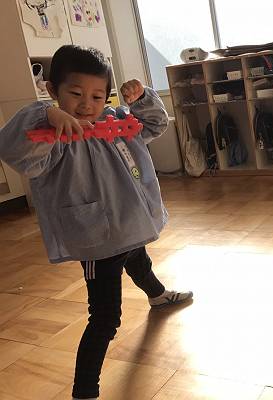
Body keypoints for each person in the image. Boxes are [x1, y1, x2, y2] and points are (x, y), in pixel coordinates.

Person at [0, 45, 192, 400]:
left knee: (137, 258)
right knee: (105, 317)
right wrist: (46, 115)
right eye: (75, 94)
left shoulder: (116, 122)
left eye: (97, 96)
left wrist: (142, 98)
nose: (87, 104)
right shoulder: (52, 138)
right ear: (53, 90)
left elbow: (155, 123)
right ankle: (84, 390)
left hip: (129, 222)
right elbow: (13, 147)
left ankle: (157, 296)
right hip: (97, 238)